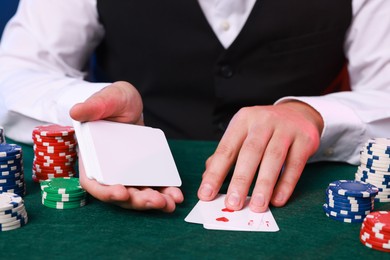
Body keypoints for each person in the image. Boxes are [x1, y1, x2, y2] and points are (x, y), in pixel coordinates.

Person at [0, 0, 390, 213]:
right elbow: (11, 76)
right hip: (143, 186)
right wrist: (92, 117)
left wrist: (314, 115)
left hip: (302, 191)